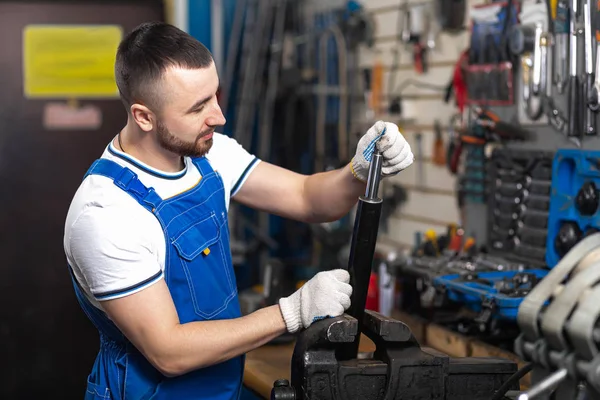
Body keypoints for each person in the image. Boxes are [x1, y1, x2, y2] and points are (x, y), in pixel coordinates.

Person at [64, 21, 413, 400]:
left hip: (222, 387)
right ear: (144, 116)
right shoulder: (106, 212)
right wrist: (292, 311)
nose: (219, 116)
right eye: (198, 107)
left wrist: (357, 171)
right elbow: (169, 351)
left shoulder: (209, 154)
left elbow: (307, 197)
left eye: (215, 95)